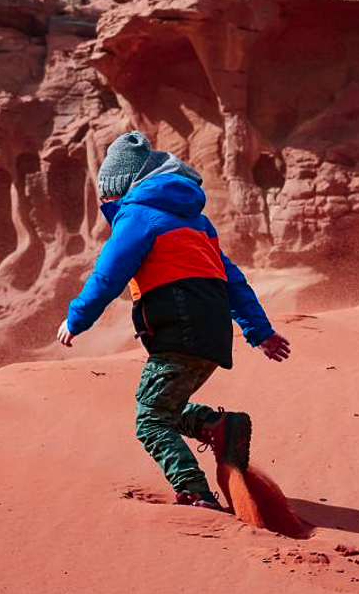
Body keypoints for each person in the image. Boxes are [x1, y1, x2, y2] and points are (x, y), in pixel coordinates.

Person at [57, 131, 291, 510]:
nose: (107, 203)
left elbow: (108, 274)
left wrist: (76, 319)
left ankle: (194, 491)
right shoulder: (198, 224)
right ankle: (217, 427)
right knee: (158, 406)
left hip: (179, 333)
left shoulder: (137, 215)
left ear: (122, 187)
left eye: (108, 194)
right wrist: (259, 332)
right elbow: (233, 280)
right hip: (211, 338)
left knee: (149, 420)